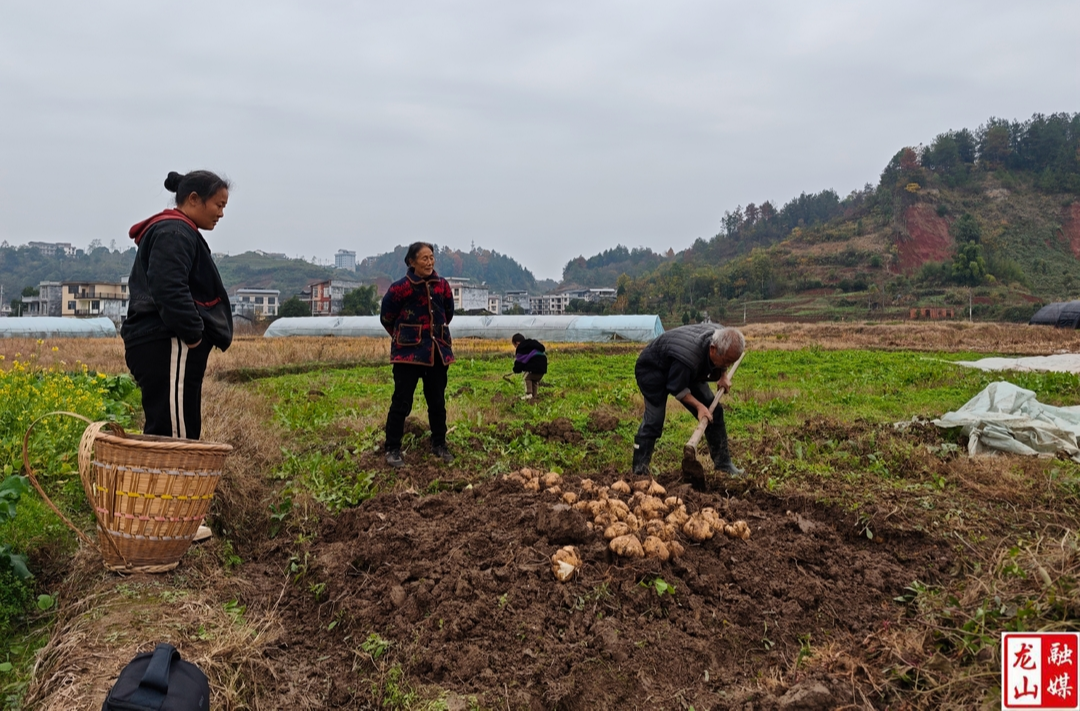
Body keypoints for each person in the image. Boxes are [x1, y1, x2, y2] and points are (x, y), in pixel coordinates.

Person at [121, 170, 233, 442]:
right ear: (194, 199)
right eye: (218, 205)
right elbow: (168, 287)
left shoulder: (175, 230)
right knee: (175, 439)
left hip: (163, 343)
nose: (221, 214)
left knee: (171, 429)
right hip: (168, 342)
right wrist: (193, 334)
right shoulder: (175, 231)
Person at [632, 323, 745, 478]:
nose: (727, 365)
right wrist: (699, 407)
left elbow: (722, 358)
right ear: (713, 349)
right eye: (726, 361)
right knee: (654, 421)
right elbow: (676, 388)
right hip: (653, 371)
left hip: (686, 370)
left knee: (715, 412)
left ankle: (724, 465)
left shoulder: (721, 333)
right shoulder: (688, 357)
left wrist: (723, 375)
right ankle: (639, 471)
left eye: (730, 363)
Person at [380, 242, 456, 468]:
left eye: (431, 257)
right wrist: (406, 336)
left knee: (437, 401)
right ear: (411, 262)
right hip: (408, 354)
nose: (429, 262)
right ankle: (392, 448)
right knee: (401, 401)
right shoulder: (399, 288)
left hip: (437, 352)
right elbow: (387, 317)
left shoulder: (442, 285)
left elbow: (448, 313)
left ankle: (439, 444)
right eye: (424, 258)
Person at [511, 333, 547, 400]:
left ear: (517, 343)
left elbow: (519, 362)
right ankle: (534, 396)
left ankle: (529, 394)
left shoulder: (521, 349)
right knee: (534, 380)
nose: (515, 347)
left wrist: (516, 369)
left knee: (527, 377)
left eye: (514, 345)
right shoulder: (533, 345)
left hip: (534, 366)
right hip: (543, 368)